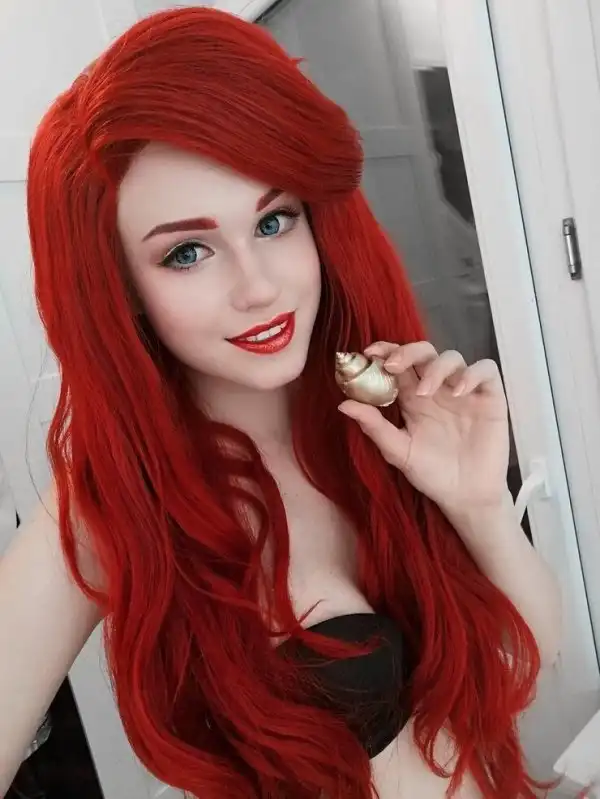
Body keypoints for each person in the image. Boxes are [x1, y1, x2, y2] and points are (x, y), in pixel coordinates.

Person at [0, 7, 562, 799]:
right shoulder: (116, 497)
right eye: (187, 252)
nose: (258, 286)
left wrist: (480, 507)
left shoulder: (378, 415)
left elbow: (531, 656)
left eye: (273, 220)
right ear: (117, 286)